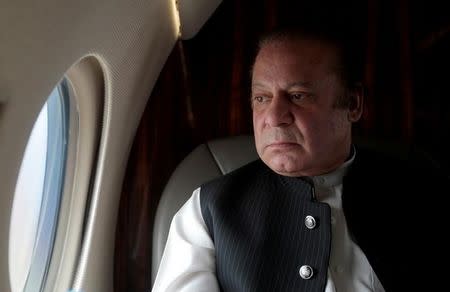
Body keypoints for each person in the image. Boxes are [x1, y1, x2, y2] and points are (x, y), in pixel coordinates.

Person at [152, 26, 448, 292]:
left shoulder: (424, 195)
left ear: (353, 104)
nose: (274, 118)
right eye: (261, 98)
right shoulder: (207, 210)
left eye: (298, 95)